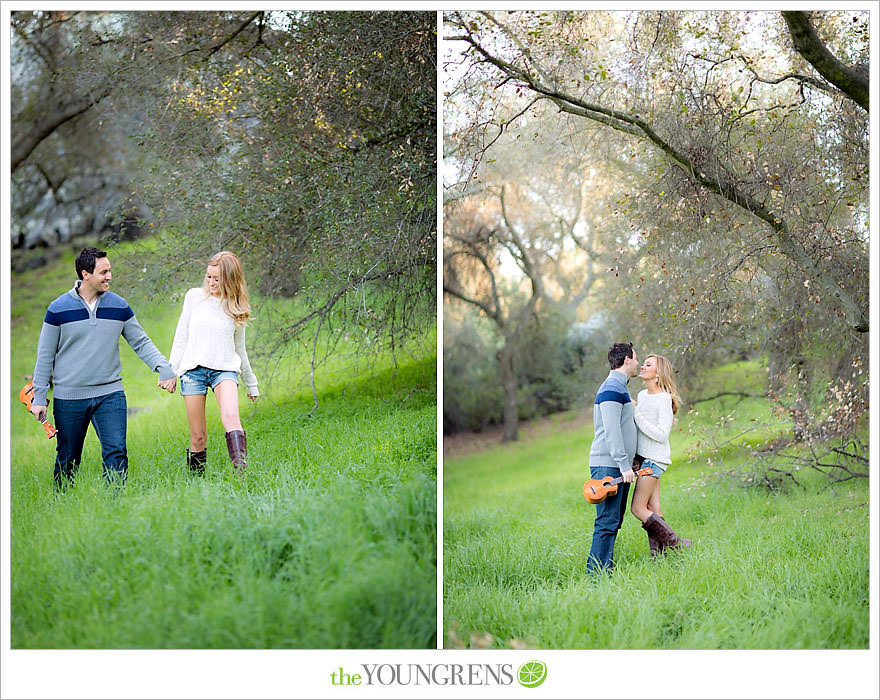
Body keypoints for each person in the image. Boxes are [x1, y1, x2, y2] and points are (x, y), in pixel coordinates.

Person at [30, 247, 177, 488]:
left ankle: (115, 506)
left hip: (110, 394)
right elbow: (45, 356)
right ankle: (62, 502)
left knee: (116, 452)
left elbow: (140, 342)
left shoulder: (119, 306)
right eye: (104, 272)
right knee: (68, 458)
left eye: (109, 271)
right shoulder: (58, 309)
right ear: (85, 274)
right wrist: (38, 396)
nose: (109, 276)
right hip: (69, 397)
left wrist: (164, 367)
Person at [169, 251, 258, 477]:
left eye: (217, 279)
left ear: (229, 279)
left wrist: (252, 383)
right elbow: (181, 336)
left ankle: (243, 475)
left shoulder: (235, 307)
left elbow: (240, 350)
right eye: (208, 277)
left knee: (231, 417)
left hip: (224, 370)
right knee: (198, 436)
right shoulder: (193, 297)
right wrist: (170, 371)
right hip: (193, 372)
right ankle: (196, 485)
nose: (211, 282)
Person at [586, 341, 641, 575]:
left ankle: (604, 571)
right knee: (607, 522)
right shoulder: (611, 388)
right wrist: (623, 464)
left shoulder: (621, 389)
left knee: (613, 521)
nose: (638, 363)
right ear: (627, 360)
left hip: (619, 465)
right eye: (636, 359)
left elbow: (624, 425)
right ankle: (596, 575)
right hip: (609, 465)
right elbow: (611, 431)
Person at [630, 353, 692, 555]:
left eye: (649, 365)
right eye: (644, 363)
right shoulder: (641, 395)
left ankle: (677, 544)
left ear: (658, 374)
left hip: (654, 460)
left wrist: (636, 413)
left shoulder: (664, 399)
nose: (643, 367)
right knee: (653, 510)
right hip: (644, 459)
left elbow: (661, 434)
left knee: (638, 509)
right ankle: (659, 556)